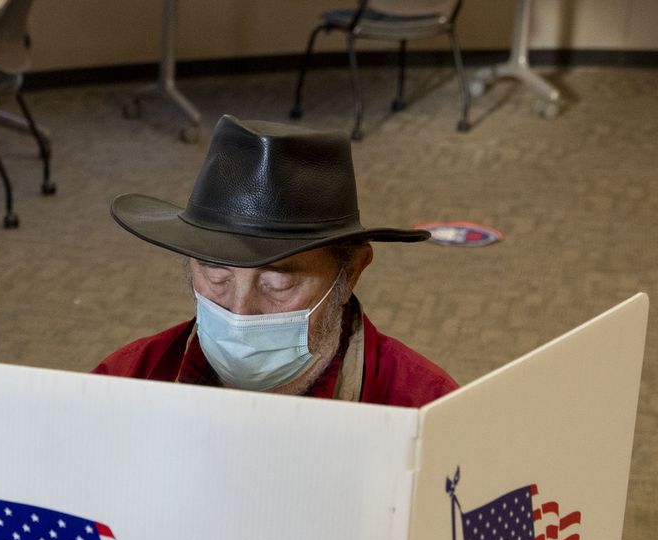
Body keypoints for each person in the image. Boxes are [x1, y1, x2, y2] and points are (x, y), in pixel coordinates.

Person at [100, 115, 456, 407]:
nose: (240, 312)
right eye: (216, 274)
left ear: (350, 273)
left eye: (278, 283)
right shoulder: (122, 384)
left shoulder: (425, 409)